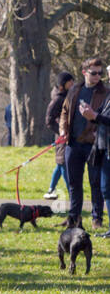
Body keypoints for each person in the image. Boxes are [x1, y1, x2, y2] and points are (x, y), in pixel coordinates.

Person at [58, 58, 109, 229]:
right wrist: (63, 130)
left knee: (96, 183)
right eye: (93, 73)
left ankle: (97, 219)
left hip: (94, 144)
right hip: (73, 143)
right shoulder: (75, 90)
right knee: (74, 183)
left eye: (100, 73)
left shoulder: (105, 92)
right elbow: (64, 112)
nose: (97, 77)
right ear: (84, 72)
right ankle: (74, 218)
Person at [44, 71, 76, 200]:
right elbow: (49, 120)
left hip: (67, 136)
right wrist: (61, 132)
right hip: (62, 138)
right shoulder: (58, 99)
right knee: (63, 165)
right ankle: (72, 193)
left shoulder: (68, 96)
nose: (73, 83)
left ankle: (51, 189)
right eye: (70, 82)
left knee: (59, 164)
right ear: (63, 84)